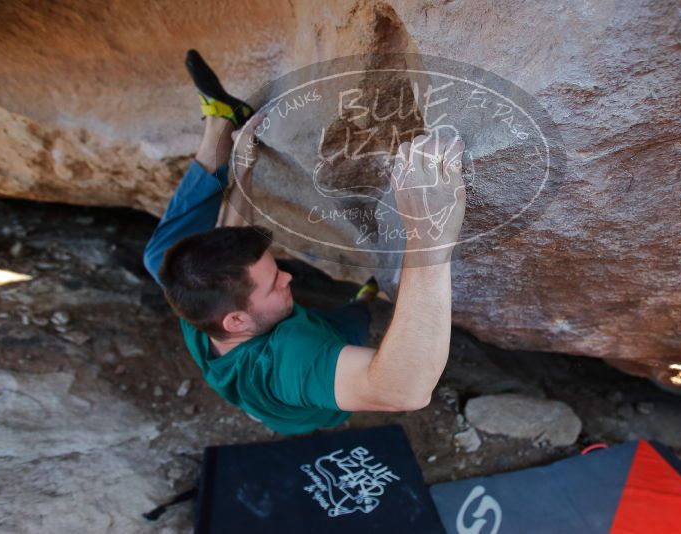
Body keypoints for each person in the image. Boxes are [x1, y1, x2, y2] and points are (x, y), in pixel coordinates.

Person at [142, 50, 466, 435]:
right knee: (352, 320)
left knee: (160, 259)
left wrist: (243, 170)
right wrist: (427, 236)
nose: (289, 279)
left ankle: (220, 129)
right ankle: (363, 299)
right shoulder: (290, 355)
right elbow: (402, 392)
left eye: (277, 270)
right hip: (309, 402)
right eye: (274, 283)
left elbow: (221, 245)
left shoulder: (198, 309)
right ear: (237, 321)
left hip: (267, 374)